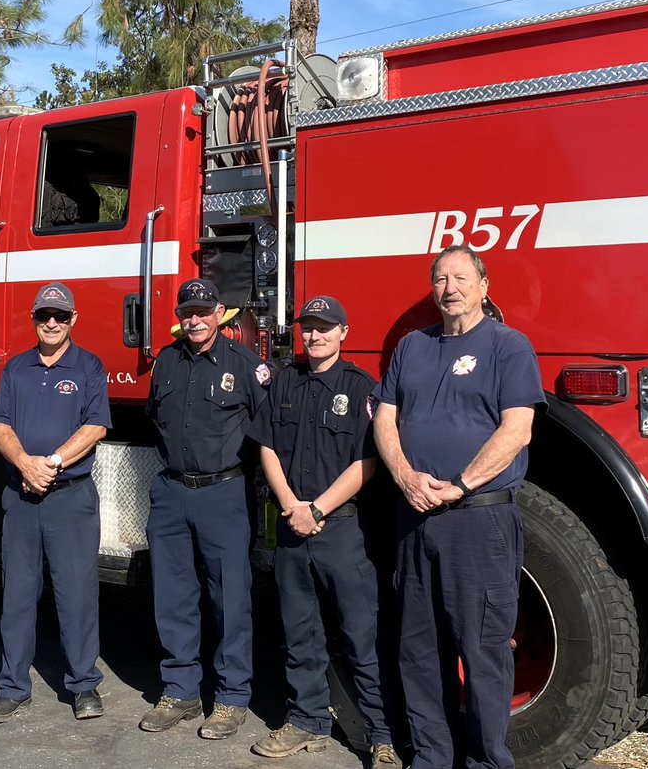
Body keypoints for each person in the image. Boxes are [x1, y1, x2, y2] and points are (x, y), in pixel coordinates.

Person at [374, 245, 544, 769]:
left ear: (484, 286)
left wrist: (460, 484)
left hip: (478, 520)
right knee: (419, 650)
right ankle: (431, 758)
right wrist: (405, 477)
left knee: (483, 649)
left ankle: (488, 761)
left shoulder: (508, 346)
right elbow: (384, 418)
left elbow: (518, 429)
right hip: (415, 517)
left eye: (461, 277)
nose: (450, 287)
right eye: (441, 278)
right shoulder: (411, 347)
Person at [249, 296, 400, 769]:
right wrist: (292, 505)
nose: (314, 336)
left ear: (343, 333)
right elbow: (267, 447)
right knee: (299, 634)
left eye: (324, 328)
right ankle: (306, 719)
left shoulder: (360, 389)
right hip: (293, 528)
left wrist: (316, 507)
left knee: (362, 635)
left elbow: (368, 461)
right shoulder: (285, 381)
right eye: (308, 328)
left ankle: (382, 735)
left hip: (338, 529)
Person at [139, 278, 271, 740]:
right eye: (187, 311)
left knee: (229, 598)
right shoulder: (166, 362)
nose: (194, 319)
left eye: (203, 310)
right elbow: (155, 419)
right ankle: (180, 690)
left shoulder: (247, 366)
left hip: (224, 493)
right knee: (172, 596)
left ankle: (232, 697)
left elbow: (264, 433)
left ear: (220, 314)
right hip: (172, 491)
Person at [0, 282, 111, 724]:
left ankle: (84, 686)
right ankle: (13, 687)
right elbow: (0, 424)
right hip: (21, 497)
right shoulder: (15, 369)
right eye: (43, 316)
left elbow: (96, 427)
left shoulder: (89, 367)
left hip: (69, 499)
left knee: (76, 595)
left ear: (73, 319)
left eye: (59, 315)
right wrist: (23, 463)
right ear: (34, 320)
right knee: (17, 595)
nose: (51, 323)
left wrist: (50, 463)